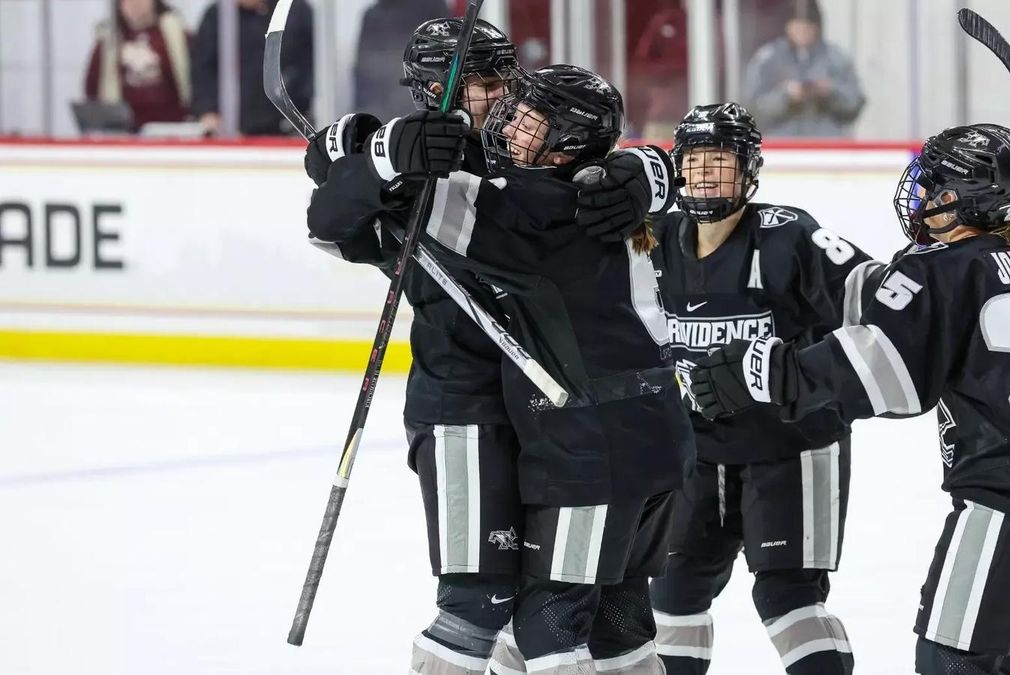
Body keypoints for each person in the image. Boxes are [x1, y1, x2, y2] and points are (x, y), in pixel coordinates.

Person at [689, 123, 1010, 674]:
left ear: (960, 198)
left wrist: (763, 372)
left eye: (933, 185)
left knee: (948, 659)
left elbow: (885, 375)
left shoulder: (940, 267)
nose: (922, 196)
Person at [304, 21, 678, 674]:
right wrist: (378, 161)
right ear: (431, 90)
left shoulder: (529, 144)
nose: (501, 96)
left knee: (585, 602)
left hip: (557, 419)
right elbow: (330, 225)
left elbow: (605, 136)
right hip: (466, 410)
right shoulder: (413, 168)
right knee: (483, 602)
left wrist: (643, 171)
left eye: (503, 77)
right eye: (480, 82)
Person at [647, 102, 864, 675]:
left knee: (786, 596)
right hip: (699, 453)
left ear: (749, 171)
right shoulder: (658, 237)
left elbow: (880, 302)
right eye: (694, 163)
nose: (705, 176)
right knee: (671, 594)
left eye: (720, 162)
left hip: (793, 447)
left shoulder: (788, 234)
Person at [743, 0, 865, 138]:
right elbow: (753, 108)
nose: (802, 33)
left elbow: (855, 102)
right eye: (797, 26)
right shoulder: (768, 60)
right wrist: (787, 96)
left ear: (817, 27)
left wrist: (830, 91)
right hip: (781, 146)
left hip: (829, 146)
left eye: (807, 27)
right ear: (787, 26)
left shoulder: (836, 59)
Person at [192, 0, 313, 135]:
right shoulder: (218, 16)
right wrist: (208, 111)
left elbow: (311, 67)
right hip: (233, 128)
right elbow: (202, 69)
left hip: (288, 125)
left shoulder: (295, 12)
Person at [83, 0, 191, 131]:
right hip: (122, 131)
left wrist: (152, 61)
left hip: (170, 128)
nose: (135, 4)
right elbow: (92, 89)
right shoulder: (108, 43)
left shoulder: (177, 35)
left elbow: (193, 79)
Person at [352, 0, 447, 120]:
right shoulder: (372, 16)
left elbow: (446, 56)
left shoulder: (432, 6)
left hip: (424, 105)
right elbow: (362, 70)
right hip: (383, 109)